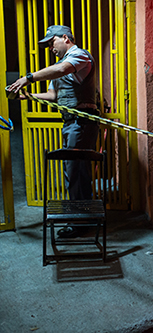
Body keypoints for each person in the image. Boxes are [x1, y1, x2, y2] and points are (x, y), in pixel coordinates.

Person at [8, 25, 99, 238]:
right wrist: (27, 96)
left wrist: (27, 78)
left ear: (65, 38)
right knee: (76, 173)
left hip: (82, 122)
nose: (50, 47)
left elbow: (61, 70)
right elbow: (53, 96)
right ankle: (84, 218)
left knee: (75, 173)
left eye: (52, 42)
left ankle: (79, 224)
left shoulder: (79, 56)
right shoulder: (59, 65)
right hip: (71, 123)